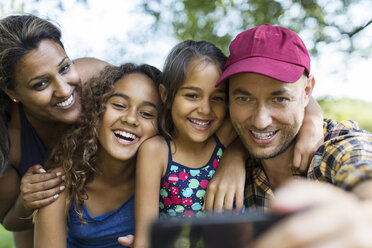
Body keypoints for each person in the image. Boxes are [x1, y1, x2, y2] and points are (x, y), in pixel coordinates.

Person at [129, 40, 324, 248]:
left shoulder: (230, 135)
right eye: (192, 95)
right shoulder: (156, 151)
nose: (205, 109)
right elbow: (145, 238)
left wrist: (313, 121)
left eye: (217, 98)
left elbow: (295, 93)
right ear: (166, 95)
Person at [214, 24, 372, 247]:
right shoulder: (221, 154)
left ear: (307, 92)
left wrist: (364, 216)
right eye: (244, 99)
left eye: (279, 99)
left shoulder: (334, 144)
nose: (261, 121)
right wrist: (233, 153)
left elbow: (360, 162)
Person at [0, 14, 108, 247]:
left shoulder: (99, 80)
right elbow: (9, 220)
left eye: (64, 68)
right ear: (12, 93)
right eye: (41, 84)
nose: (64, 90)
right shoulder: (7, 139)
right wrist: (26, 201)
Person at [34, 63, 161, 248]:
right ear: (95, 111)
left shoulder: (168, 183)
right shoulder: (62, 182)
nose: (131, 119)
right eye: (119, 105)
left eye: (147, 113)